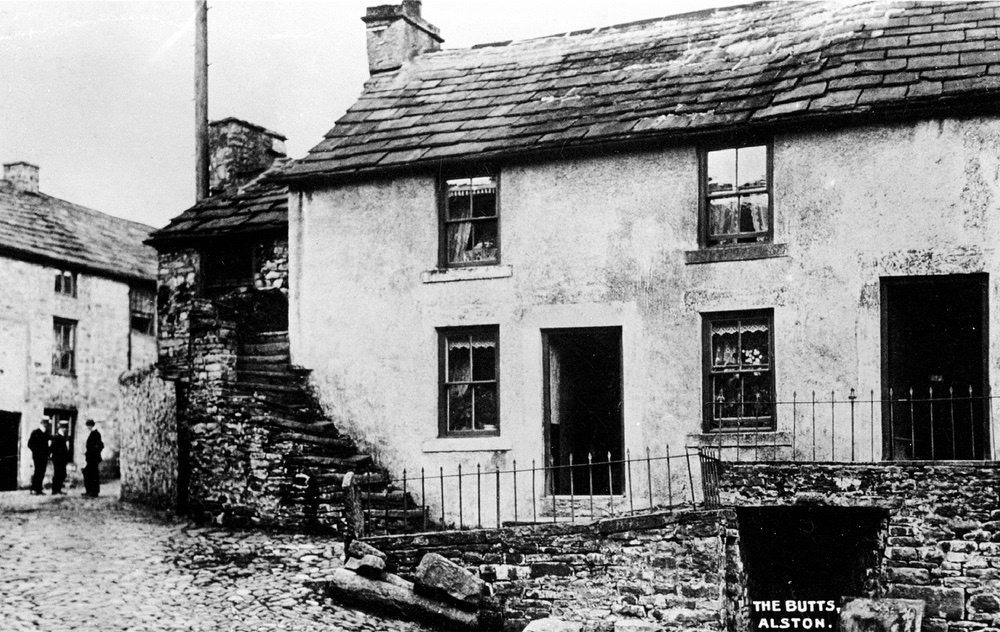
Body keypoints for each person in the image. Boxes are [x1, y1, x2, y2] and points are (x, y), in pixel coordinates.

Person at [27, 420, 50, 495]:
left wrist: (48, 453)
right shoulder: (35, 432)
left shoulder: (46, 433)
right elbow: (30, 444)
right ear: (41, 424)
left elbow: (47, 445)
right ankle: (34, 489)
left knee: (42, 472)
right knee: (38, 472)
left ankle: (39, 489)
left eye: (46, 424)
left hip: (44, 456)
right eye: (44, 424)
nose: (46, 425)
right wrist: (36, 451)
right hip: (37, 456)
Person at [82, 420, 103, 497]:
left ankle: (93, 492)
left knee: (92, 475)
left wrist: (92, 453)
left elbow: (100, 445)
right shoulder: (93, 433)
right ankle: (90, 491)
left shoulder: (96, 434)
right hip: (91, 458)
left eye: (88, 426)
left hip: (93, 459)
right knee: (89, 474)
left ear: (90, 426)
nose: (87, 427)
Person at [49, 425, 70, 495]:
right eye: (63, 428)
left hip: (62, 459)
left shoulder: (62, 437)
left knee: (62, 474)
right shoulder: (57, 437)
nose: (65, 429)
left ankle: (58, 489)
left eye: (65, 428)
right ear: (60, 429)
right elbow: (52, 448)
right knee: (58, 474)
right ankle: (55, 490)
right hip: (58, 459)